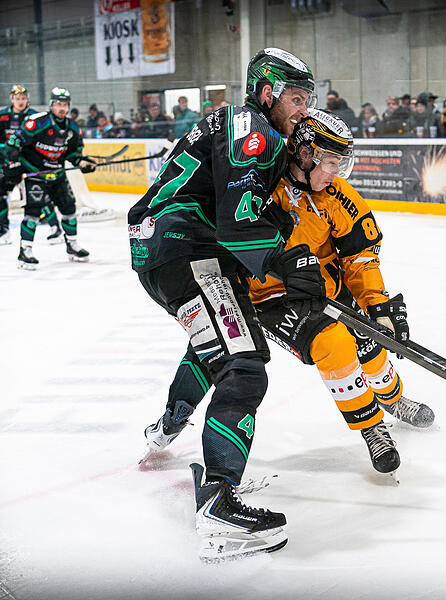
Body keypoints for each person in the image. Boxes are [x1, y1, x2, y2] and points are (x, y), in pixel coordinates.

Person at [130, 48, 324, 561]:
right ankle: (218, 504)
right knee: (243, 365)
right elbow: (238, 222)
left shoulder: (252, 130)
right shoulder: (249, 125)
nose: (303, 108)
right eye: (297, 98)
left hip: (177, 249)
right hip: (184, 248)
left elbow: (243, 218)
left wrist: (284, 261)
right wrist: (288, 263)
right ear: (267, 92)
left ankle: (169, 423)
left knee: (215, 346)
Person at [250, 109, 435, 474]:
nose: (335, 173)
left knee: (370, 338)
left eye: (339, 164)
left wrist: (377, 306)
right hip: (273, 298)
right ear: (305, 154)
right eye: (330, 163)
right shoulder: (261, 188)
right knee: (335, 344)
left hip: (327, 290)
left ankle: (394, 399)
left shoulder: (337, 195)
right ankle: (372, 428)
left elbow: (360, 257)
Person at [4, 87, 95, 268]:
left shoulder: (72, 128)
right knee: (33, 212)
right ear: (52, 105)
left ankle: (72, 244)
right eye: (58, 104)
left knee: (69, 208)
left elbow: (71, 155)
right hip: (35, 174)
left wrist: (82, 162)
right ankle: (25, 251)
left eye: (65, 105)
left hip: (57, 175)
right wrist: (13, 157)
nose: (62, 108)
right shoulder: (37, 122)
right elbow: (14, 140)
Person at [0, 84, 38, 245]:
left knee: (37, 194)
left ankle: (54, 227)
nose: (20, 101)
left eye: (23, 98)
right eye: (17, 98)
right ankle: (3, 229)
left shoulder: (35, 116)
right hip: (6, 164)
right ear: (12, 99)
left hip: (28, 163)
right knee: (1, 195)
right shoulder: (2, 116)